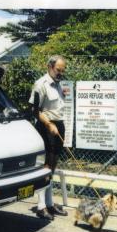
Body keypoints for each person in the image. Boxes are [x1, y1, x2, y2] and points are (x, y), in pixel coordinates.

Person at [29, 55, 68, 221]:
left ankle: (50, 204)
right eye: (58, 70)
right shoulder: (40, 84)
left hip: (58, 126)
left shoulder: (58, 84)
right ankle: (41, 206)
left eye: (62, 71)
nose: (60, 73)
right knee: (45, 167)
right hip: (46, 127)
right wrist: (48, 124)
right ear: (49, 67)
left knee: (52, 166)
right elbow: (33, 110)